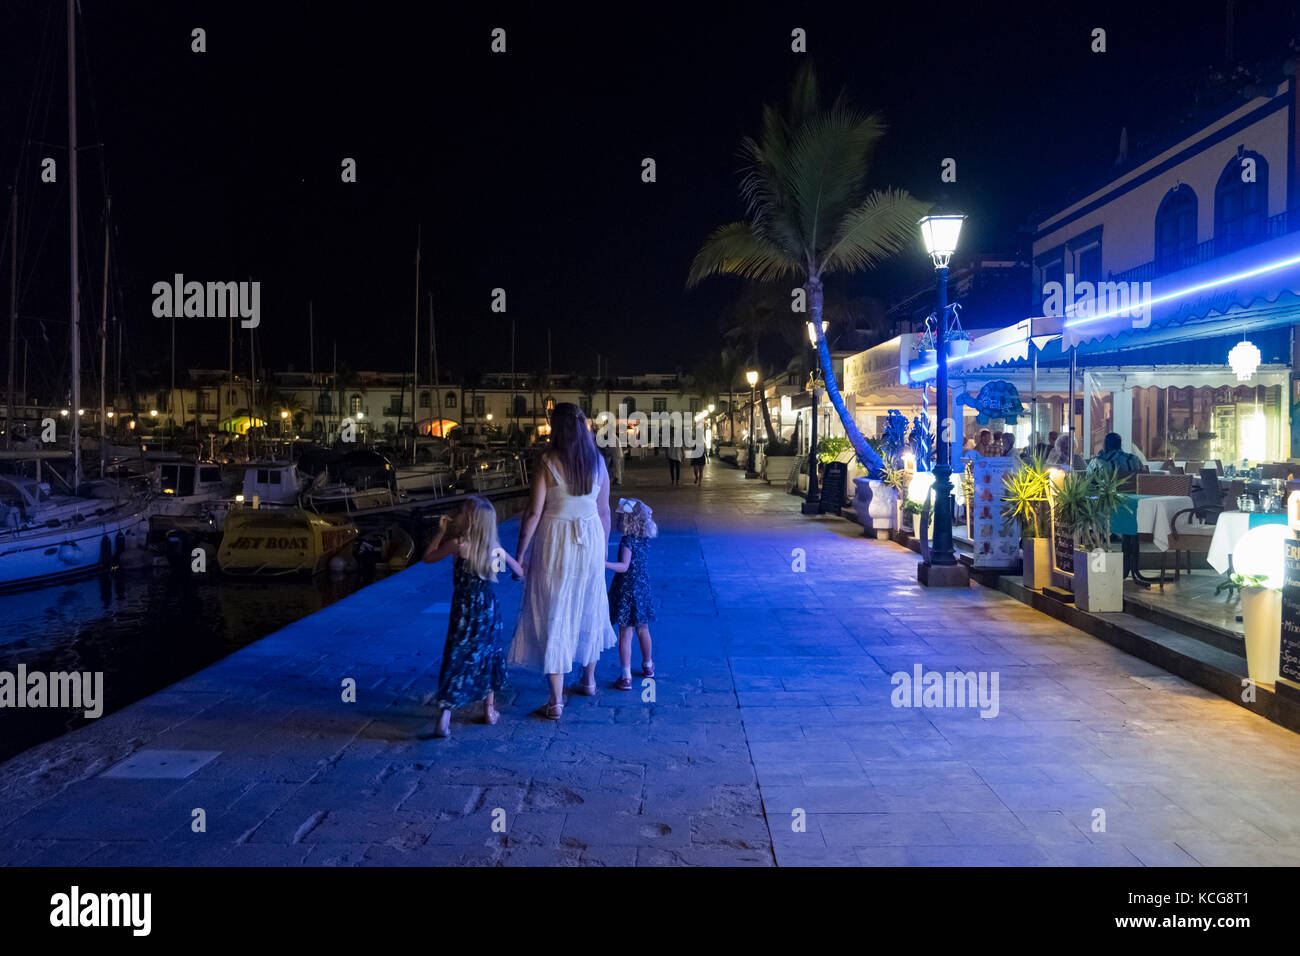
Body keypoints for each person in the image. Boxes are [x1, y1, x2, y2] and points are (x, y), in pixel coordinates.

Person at [509, 403, 618, 720]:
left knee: (554, 609)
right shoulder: (597, 460)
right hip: (591, 539)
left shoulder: (546, 460)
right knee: (588, 604)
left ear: (556, 428)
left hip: (556, 540)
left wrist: (520, 554)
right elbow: (604, 511)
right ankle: (589, 679)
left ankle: (556, 700)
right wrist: (604, 549)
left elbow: (533, 512)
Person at [421, 496, 523, 739]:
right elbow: (519, 571)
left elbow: (428, 557)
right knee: (489, 653)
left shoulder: (457, 544)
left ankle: (445, 717)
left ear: (470, 520)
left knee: (456, 656)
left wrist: (441, 532)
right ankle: (489, 710)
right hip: (487, 607)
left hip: (463, 609)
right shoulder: (494, 548)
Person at [605, 498, 658, 690]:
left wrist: (603, 564)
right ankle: (648, 665)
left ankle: (626, 676)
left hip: (627, 590)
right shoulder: (643, 538)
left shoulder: (627, 540)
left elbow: (624, 566)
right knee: (643, 630)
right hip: (642, 588)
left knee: (625, 633)